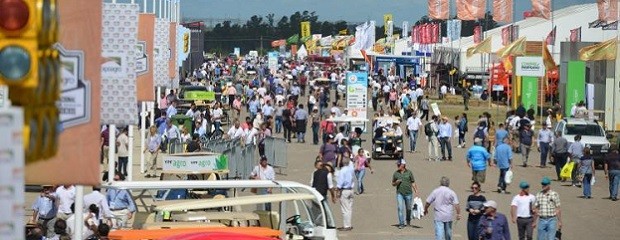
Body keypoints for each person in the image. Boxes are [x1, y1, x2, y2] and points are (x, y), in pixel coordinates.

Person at [392, 159, 419, 229]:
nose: (397, 166)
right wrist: (396, 182)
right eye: (397, 165)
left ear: (403, 165)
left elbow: (413, 182)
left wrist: (416, 190)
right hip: (399, 193)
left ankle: (408, 221)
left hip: (408, 193)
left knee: (408, 208)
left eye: (399, 164)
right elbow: (393, 183)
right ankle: (401, 223)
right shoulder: (396, 173)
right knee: (400, 208)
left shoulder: (409, 173)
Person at [335, 157, 355, 231]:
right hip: (351, 189)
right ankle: (349, 224)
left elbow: (340, 182)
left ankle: (346, 225)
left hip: (345, 190)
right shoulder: (351, 169)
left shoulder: (342, 171)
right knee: (349, 208)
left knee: (345, 209)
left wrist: (337, 190)